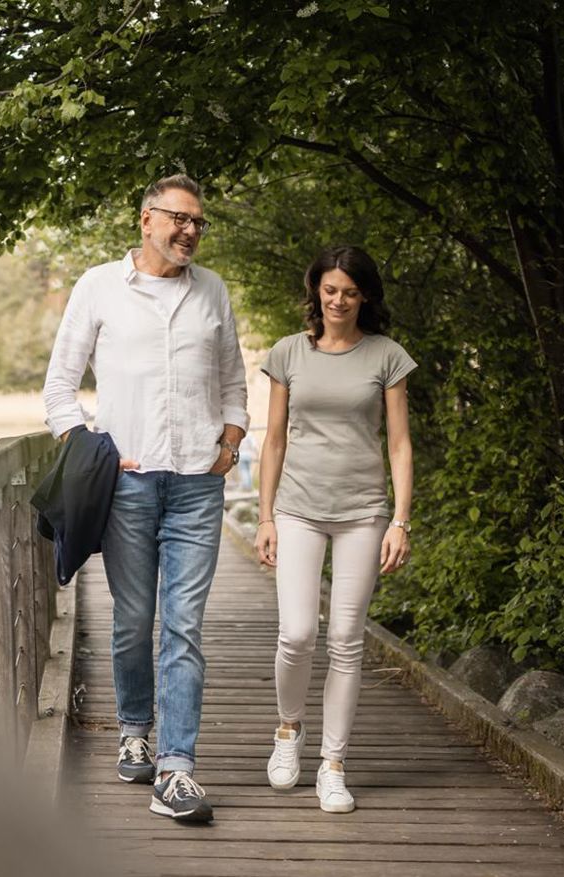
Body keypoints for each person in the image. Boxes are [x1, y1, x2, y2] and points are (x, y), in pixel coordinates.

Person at [42, 174, 248, 823]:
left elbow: (235, 381)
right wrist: (91, 446)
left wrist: (232, 443)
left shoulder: (212, 292)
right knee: (133, 621)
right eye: (178, 218)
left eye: (198, 222)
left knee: (183, 626)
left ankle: (177, 769)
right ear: (145, 219)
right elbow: (58, 388)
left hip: (198, 487)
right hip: (128, 485)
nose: (189, 231)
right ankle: (134, 726)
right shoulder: (99, 287)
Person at [253, 245, 415, 814]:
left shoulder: (387, 356)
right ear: (315, 292)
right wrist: (265, 515)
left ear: (364, 295)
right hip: (297, 507)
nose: (338, 301)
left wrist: (400, 519)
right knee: (297, 633)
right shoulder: (288, 353)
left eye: (349, 292)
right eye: (329, 290)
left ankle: (333, 764)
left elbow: (398, 443)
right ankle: (288, 730)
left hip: (363, 513)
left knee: (346, 640)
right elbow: (273, 439)